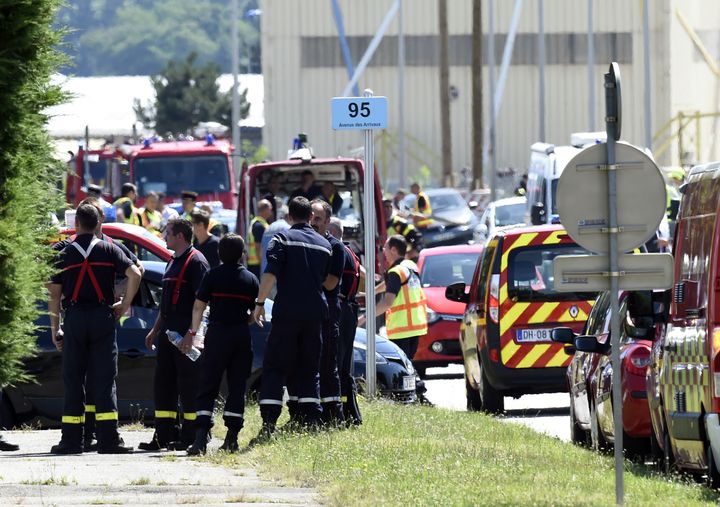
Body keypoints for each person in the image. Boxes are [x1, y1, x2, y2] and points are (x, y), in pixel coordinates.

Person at [48, 204, 142, 454]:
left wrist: (55, 329)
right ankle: (109, 440)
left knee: (73, 378)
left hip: (75, 319)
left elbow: (54, 295)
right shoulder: (109, 248)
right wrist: (124, 304)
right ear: (98, 223)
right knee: (105, 377)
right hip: (103, 317)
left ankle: (71, 441)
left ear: (76, 224)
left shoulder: (63, 253)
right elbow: (135, 274)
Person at [251, 197, 331, 443]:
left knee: (276, 366)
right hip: (315, 314)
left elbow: (269, 274)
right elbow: (325, 280)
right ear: (310, 217)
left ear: (288, 217)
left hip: (287, 313)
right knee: (309, 367)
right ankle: (309, 420)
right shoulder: (324, 244)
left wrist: (259, 303)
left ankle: (269, 423)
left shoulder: (281, 239)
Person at [139, 218, 210, 451]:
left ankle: (191, 436)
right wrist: (154, 330)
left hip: (186, 336)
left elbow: (203, 303)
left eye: (167, 232)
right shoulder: (172, 261)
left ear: (180, 236)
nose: (164, 236)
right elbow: (166, 304)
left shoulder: (196, 262)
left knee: (189, 386)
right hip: (168, 335)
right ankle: (163, 435)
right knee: (164, 385)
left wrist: (192, 334)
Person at [187, 234, 259, 456]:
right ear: (242, 255)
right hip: (240, 336)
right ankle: (231, 440)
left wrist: (192, 332)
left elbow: (199, 307)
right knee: (237, 386)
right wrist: (242, 320)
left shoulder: (212, 276)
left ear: (219, 253)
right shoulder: (250, 280)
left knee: (208, 385)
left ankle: (200, 440)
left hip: (217, 335)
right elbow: (255, 314)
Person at [363, 235, 428, 361]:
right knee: (408, 366)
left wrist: (365, 317)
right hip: (415, 327)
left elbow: (387, 302)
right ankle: (415, 381)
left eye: (385, 248)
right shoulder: (410, 266)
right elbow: (393, 283)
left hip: (401, 329)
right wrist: (373, 291)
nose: (383, 251)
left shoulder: (395, 272)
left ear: (393, 250)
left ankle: (415, 382)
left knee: (400, 368)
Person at [309, 199, 345, 424]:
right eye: (311, 217)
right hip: (310, 313)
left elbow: (331, 283)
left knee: (328, 365)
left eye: (318, 219)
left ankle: (334, 416)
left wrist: (306, 278)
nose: (313, 222)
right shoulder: (307, 244)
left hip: (329, 312)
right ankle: (312, 413)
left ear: (328, 222)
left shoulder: (336, 247)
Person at [328, 217, 362, 426]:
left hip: (342, 311)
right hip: (348, 310)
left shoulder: (338, 251)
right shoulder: (351, 253)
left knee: (338, 366)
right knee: (344, 367)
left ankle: (342, 413)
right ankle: (350, 413)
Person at [260, 205, 290, 275]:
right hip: (279, 274)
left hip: (265, 271)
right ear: (289, 216)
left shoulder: (269, 227)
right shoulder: (287, 228)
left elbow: (261, 250)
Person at [247, 199, 272, 279]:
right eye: (270, 209)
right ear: (266, 210)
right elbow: (258, 246)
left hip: (254, 263)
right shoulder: (259, 225)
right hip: (257, 265)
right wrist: (263, 264)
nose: (271, 212)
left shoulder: (257, 222)